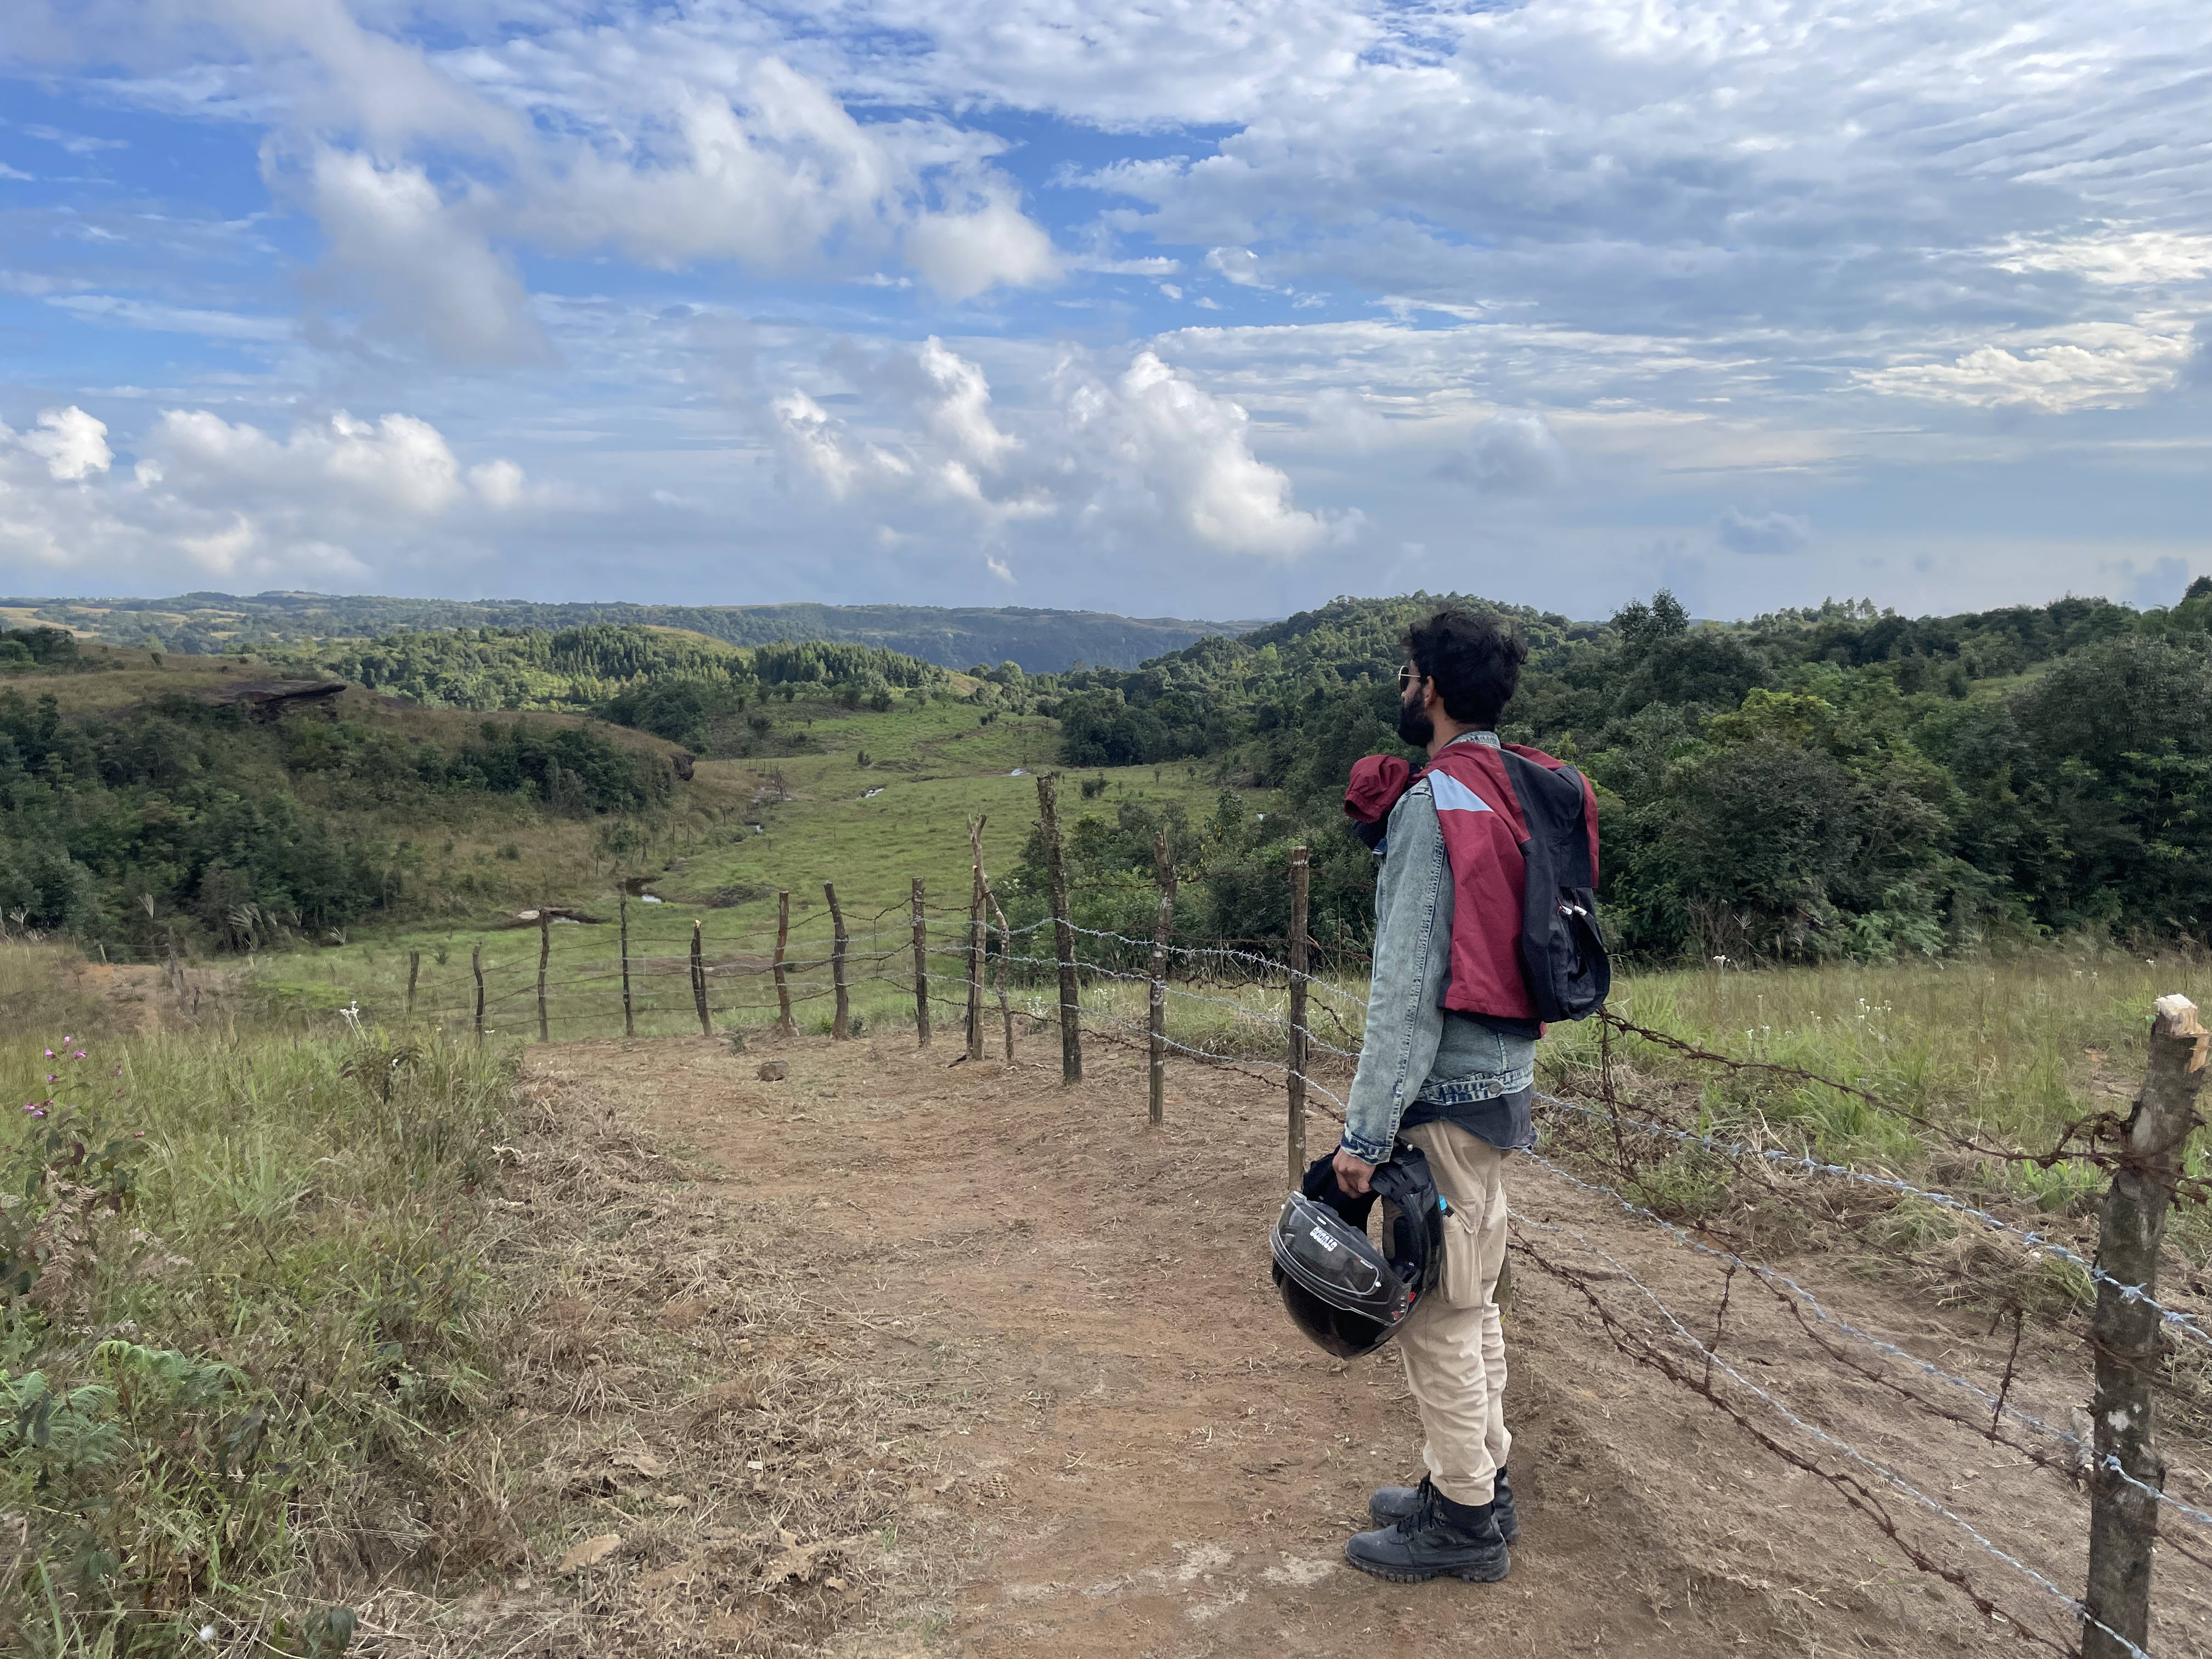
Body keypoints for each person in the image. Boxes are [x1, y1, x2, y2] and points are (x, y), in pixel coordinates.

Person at [1334, 606, 1544, 1585]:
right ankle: (1479, 1479)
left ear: (1434, 688)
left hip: (1446, 1094)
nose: (1399, 686)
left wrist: (1365, 1135)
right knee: (1475, 1295)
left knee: (1439, 1315)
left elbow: (1405, 987)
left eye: (1406, 671)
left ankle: (1462, 1522)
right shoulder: (1515, 787)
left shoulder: (1432, 804)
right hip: (1502, 1080)